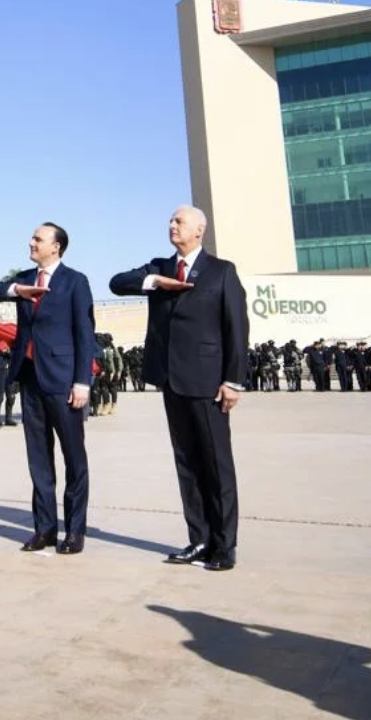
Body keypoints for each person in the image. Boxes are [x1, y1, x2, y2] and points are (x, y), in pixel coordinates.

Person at [109, 205, 245, 572]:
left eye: (179, 221)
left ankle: (223, 545)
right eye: (170, 220)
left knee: (216, 465)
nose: (172, 225)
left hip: (208, 382)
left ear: (199, 230)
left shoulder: (221, 271)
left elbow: (236, 328)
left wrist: (233, 380)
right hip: (171, 380)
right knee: (186, 463)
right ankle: (198, 539)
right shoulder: (159, 267)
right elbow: (116, 282)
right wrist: (156, 283)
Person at [0, 222, 94, 554]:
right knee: (39, 460)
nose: (31, 242)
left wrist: (82, 380)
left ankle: (74, 530)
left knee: (74, 459)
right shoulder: (25, 279)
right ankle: (44, 528)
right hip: (30, 378)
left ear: (56, 247)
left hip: (63, 380)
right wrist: (17, 291)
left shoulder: (75, 281)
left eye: (38, 239)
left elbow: (84, 333)